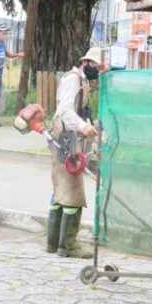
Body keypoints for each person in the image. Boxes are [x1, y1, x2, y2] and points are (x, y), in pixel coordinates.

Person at [47, 47, 102, 258]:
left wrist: (88, 126)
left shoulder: (83, 81)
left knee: (61, 186)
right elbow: (65, 111)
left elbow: (80, 112)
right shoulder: (73, 79)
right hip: (66, 136)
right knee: (72, 188)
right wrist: (82, 127)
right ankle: (68, 246)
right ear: (85, 63)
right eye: (95, 66)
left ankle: (54, 243)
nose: (97, 70)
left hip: (68, 134)